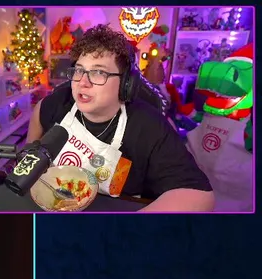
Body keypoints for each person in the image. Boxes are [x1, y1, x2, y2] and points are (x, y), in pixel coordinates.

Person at [27, 25, 214, 212]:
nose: (83, 82)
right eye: (79, 70)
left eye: (98, 72)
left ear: (126, 84)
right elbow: (39, 112)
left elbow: (200, 196)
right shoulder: (59, 102)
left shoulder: (148, 126)